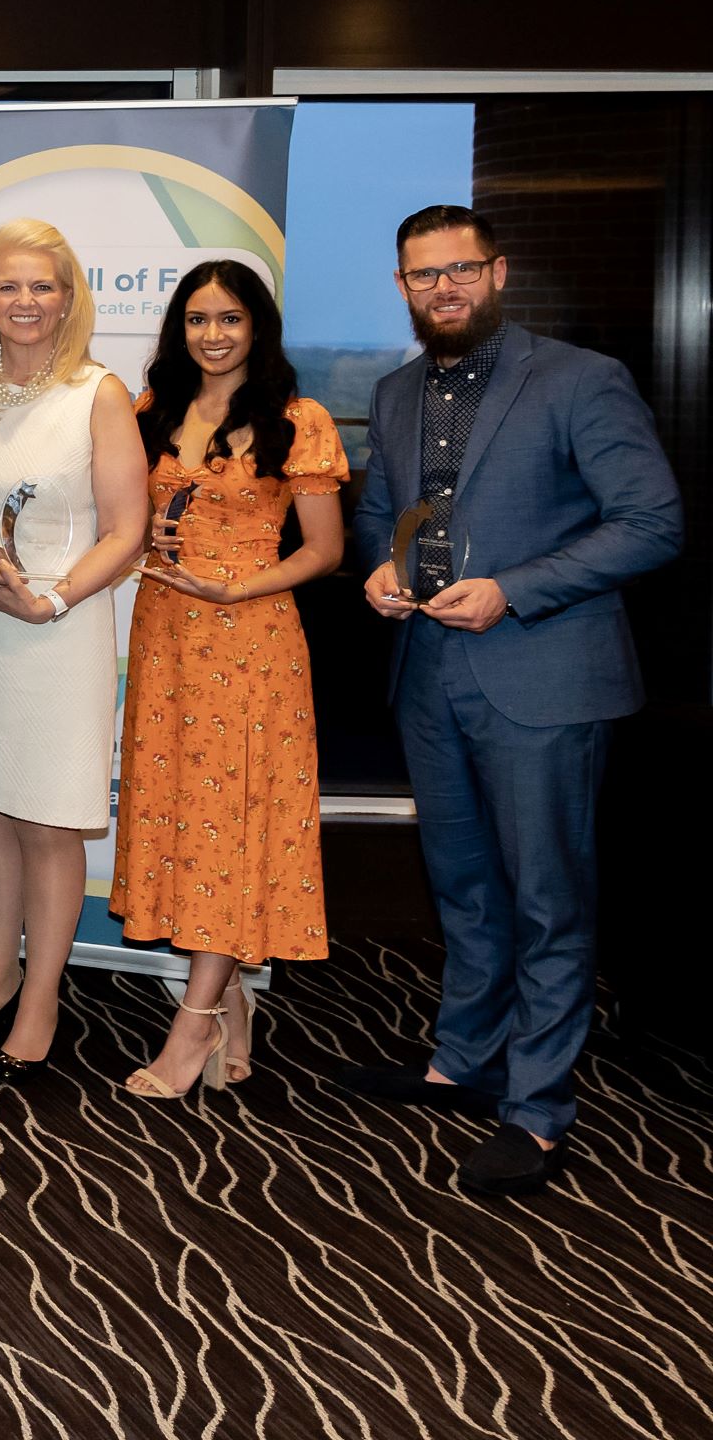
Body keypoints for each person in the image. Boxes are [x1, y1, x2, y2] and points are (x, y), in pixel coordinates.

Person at [342, 205, 682, 1197]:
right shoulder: (398, 391)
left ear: (498, 273)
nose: (442, 288)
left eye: (459, 270)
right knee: (464, 891)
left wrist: (516, 587)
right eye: (421, 275)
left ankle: (537, 1115)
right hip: (430, 675)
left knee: (547, 901)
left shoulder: (579, 379)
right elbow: (377, 515)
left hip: (544, 673)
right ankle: (462, 1062)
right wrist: (378, 570)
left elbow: (653, 521)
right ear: (402, 287)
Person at [111, 259, 345, 1099]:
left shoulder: (298, 420)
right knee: (185, 819)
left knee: (231, 820)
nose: (214, 335)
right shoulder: (151, 413)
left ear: (258, 328)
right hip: (166, 639)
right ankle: (229, 1000)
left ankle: (192, 1024)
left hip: (251, 642)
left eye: (231, 319)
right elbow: (122, 522)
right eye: (199, 319)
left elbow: (324, 551)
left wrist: (233, 586)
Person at [0, 220, 148, 1080]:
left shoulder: (98, 392)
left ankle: (42, 998)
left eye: (43, 287)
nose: (24, 303)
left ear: (70, 299)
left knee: (48, 824)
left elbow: (128, 529)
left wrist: (54, 597)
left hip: (58, 632)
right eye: (8, 287)